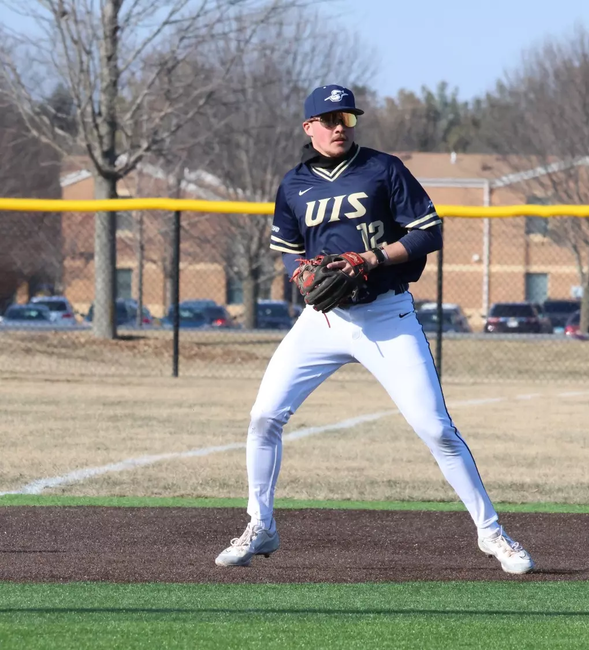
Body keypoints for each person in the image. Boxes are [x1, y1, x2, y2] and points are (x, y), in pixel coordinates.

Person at [214, 85, 534, 575]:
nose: (339, 125)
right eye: (328, 118)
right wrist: (299, 271)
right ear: (309, 128)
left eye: (346, 117)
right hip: (322, 321)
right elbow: (289, 248)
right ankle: (261, 526)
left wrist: (372, 257)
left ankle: (492, 534)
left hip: (386, 315)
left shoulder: (384, 169)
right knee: (263, 417)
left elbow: (430, 231)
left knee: (434, 428)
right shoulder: (293, 184)